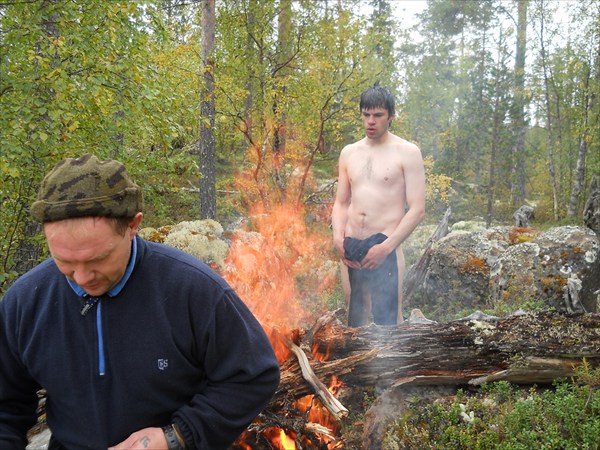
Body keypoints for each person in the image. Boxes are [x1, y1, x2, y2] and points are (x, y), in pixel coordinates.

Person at [0, 154, 280, 450]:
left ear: (133, 225)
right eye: (65, 261)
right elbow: (5, 406)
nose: (81, 278)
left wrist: (178, 435)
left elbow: (254, 375)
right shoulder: (25, 302)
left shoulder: (192, 289)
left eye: (98, 259)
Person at [332, 84, 426, 327]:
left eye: (378, 115)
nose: (371, 121)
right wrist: (338, 238)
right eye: (366, 114)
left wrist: (385, 248)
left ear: (391, 116)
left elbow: (417, 209)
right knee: (355, 316)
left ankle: (393, 354)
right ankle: (357, 355)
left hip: (386, 248)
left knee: (391, 320)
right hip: (352, 248)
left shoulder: (407, 152)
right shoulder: (349, 152)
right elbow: (341, 202)